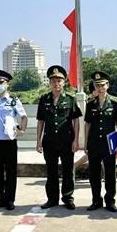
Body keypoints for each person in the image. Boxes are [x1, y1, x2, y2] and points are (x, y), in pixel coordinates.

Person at [36, 65, 82, 210]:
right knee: (51, 171)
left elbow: (76, 121)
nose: (56, 84)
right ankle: (52, 198)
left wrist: (76, 140)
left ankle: (68, 197)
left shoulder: (70, 99)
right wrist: (38, 140)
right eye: (53, 81)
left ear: (64, 83)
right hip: (49, 141)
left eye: (59, 81)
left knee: (68, 170)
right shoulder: (44, 100)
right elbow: (40, 121)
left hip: (66, 141)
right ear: (49, 82)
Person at [0, 70, 28, 211]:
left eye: (1, 82)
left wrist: (21, 131)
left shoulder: (13, 101)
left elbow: (24, 117)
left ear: (7, 84)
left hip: (9, 141)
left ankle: (10, 199)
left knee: (10, 171)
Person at [84, 71, 117, 212]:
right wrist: (85, 143)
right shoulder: (90, 104)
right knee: (94, 173)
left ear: (107, 85)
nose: (100, 88)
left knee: (110, 173)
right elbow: (87, 124)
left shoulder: (115, 102)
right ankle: (96, 200)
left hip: (109, 144)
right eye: (97, 85)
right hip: (94, 142)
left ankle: (110, 200)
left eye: (102, 85)